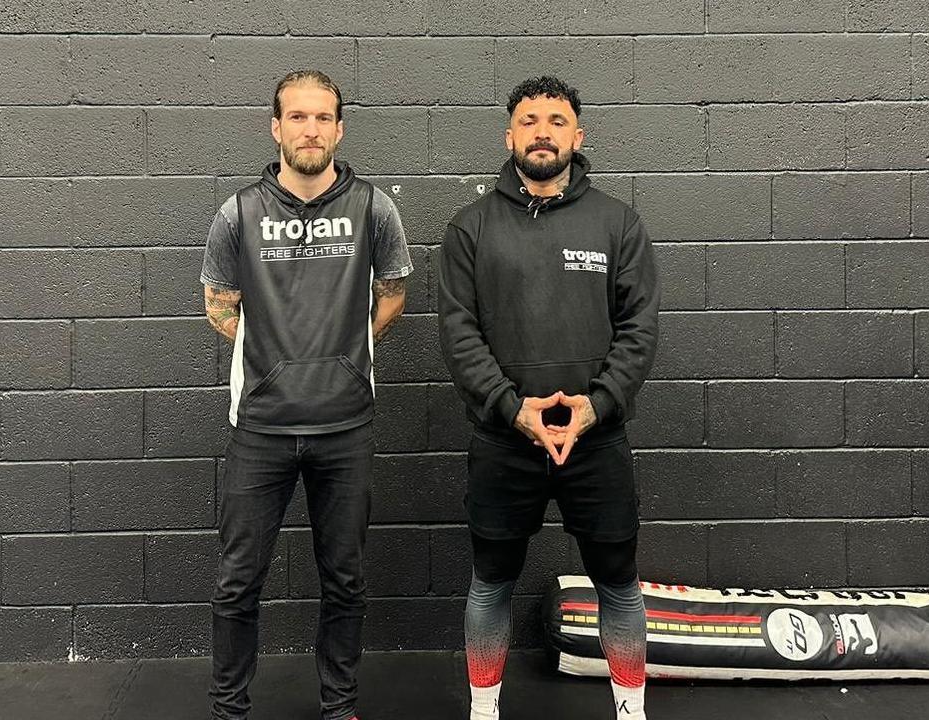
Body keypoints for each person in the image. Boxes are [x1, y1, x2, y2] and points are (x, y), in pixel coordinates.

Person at [437, 76, 660, 720]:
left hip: (597, 438)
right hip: (505, 439)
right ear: (509, 136)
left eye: (556, 120)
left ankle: (630, 709)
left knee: (618, 581)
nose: (542, 132)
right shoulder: (471, 228)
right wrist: (513, 409)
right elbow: (459, 333)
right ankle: (484, 709)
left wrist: (597, 404)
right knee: (492, 582)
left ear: (578, 135)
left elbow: (639, 326)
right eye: (529, 121)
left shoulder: (617, 222)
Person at [200, 69, 413, 720]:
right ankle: (229, 708)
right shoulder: (238, 212)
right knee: (238, 582)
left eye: (322, 118)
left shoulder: (374, 208)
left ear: (339, 128)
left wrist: (343, 355)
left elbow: (394, 294)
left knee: (344, 580)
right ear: (276, 127)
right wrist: (276, 364)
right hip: (261, 425)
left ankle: (339, 706)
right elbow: (218, 306)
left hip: (345, 425)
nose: (311, 129)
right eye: (298, 117)